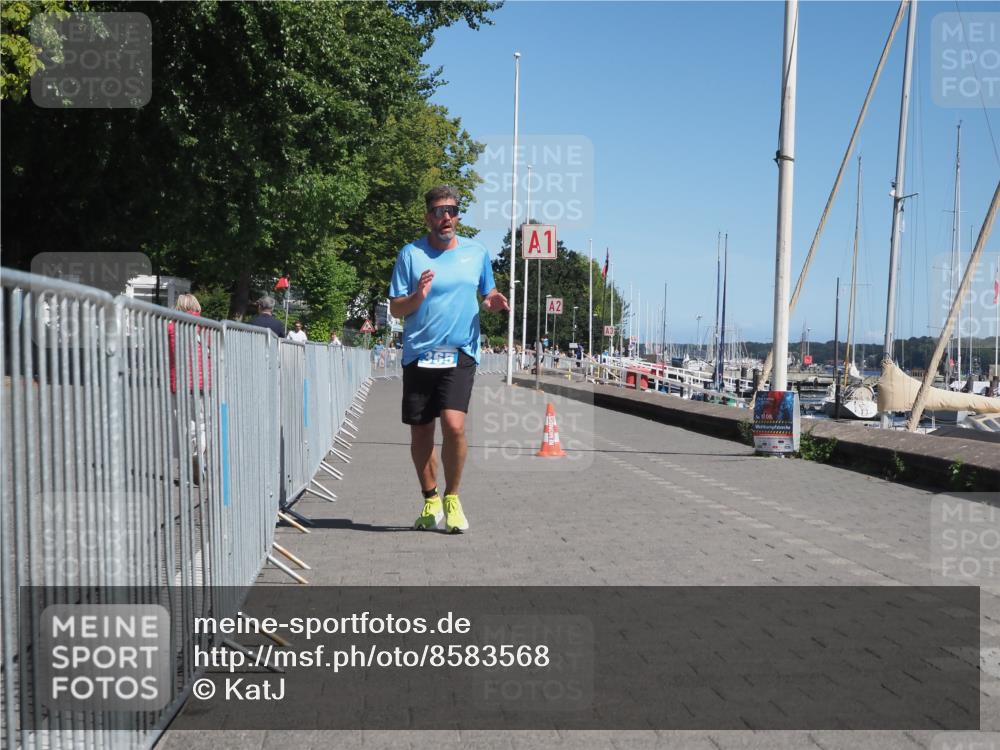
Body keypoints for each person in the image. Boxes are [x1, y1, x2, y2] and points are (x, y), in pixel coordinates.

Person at [389, 185, 509, 533]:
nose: (447, 217)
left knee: (454, 426)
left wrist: (493, 302)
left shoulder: (476, 252)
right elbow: (397, 308)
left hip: (460, 352)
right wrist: (418, 296)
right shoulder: (410, 255)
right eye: (440, 211)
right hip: (419, 353)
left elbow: (487, 293)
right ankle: (430, 498)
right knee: (421, 432)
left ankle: (452, 499)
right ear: (428, 216)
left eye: (453, 211)